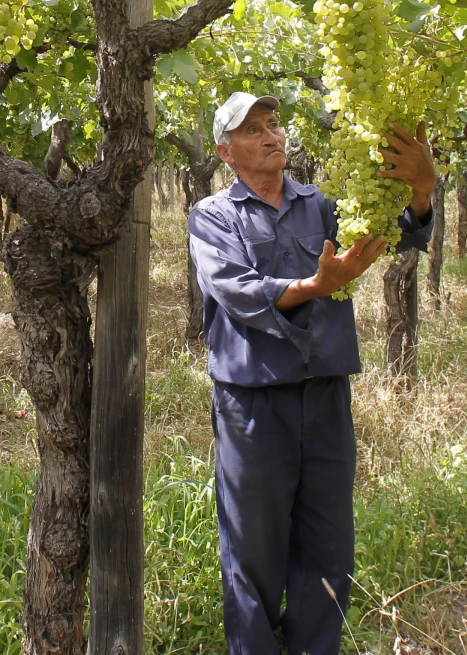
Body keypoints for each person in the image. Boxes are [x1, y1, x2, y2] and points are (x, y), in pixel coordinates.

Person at [187, 91, 437, 655]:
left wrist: (421, 190)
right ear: (226, 152)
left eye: (273, 124)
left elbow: (398, 231)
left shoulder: (323, 206)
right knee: (252, 553)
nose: (272, 136)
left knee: (328, 547)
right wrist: (317, 286)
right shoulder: (213, 216)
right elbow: (238, 292)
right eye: (253, 130)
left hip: (325, 398)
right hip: (253, 406)